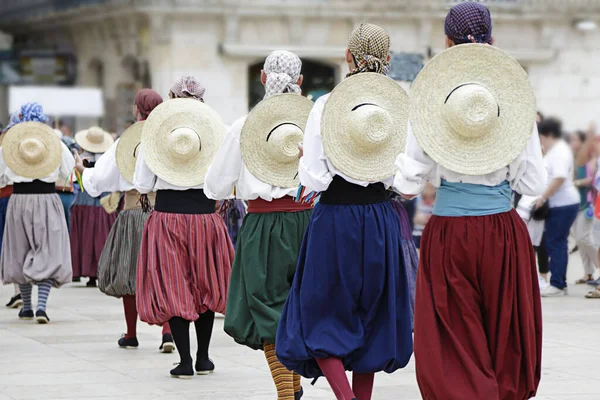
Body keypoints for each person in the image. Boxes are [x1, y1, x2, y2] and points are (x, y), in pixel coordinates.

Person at [396, 3, 546, 399]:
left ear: (447, 43)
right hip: (501, 229)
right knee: (503, 331)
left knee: (455, 338)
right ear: (492, 41)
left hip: (449, 232)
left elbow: (408, 183)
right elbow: (533, 180)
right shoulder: (513, 101)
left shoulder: (431, 100)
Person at [276, 24, 414, 400]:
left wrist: (307, 160)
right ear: (387, 59)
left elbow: (314, 179)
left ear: (348, 57)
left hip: (335, 217)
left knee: (323, 313)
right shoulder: (399, 107)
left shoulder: (326, 105)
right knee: (373, 316)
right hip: (380, 219)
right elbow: (406, 181)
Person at [205, 50, 312, 400]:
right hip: (311, 222)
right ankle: (292, 390)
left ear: (263, 78)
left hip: (263, 225)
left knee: (268, 309)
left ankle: (286, 394)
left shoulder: (244, 126)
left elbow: (215, 187)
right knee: (303, 307)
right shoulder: (315, 124)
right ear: (299, 82)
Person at [134, 78, 234, 379]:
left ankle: (185, 361)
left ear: (171, 98)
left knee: (174, 287)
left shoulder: (156, 133)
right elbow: (226, 181)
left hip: (167, 219)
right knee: (204, 285)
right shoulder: (220, 132)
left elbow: (142, 183)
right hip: (205, 218)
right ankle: (204, 358)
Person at [75, 89, 174, 352]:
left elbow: (100, 180)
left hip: (132, 213)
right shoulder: (169, 137)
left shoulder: (126, 142)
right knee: (162, 273)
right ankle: (167, 332)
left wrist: (83, 172)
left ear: (137, 109)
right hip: (164, 214)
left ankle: (131, 334)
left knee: (128, 273)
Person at [0, 103, 75, 324]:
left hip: (19, 201)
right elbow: (68, 170)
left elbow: (2, 177)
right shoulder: (55, 142)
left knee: (19, 250)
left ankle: (26, 306)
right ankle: (42, 307)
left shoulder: (10, 144)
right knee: (48, 250)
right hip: (47, 199)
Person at [537, 118, 580, 297]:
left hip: (563, 204)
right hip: (559, 204)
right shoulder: (555, 150)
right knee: (555, 242)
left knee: (556, 243)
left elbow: (560, 177)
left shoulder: (560, 151)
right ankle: (558, 282)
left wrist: (543, 197)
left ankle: (558, 284)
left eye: (540, 137)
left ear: (548, 134)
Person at [70, 126, 117, 287]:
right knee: (102, 236)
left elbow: (76, 180)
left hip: (84, 200)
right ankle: (101, 271)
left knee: (86, 235)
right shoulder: (107, 158)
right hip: (103, 200)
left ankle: (88, 272)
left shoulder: (82, 158)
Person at [570, 130, 599, 284]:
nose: (572, 143)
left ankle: (598, 266)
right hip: (575, 204)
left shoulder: (591, 160)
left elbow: (590, 181)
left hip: (587, 204)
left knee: (584, 238)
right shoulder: (574, 159)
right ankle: (588, 273)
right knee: (580, 241)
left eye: (575, 140)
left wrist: (575, 183)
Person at [412, 183, 435, 249]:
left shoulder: (436, 203)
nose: (428, 191)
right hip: (417, 233)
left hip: (430, 235)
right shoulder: (418, 200)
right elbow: (415, 218)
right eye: (426, 188)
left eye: (431, 188)